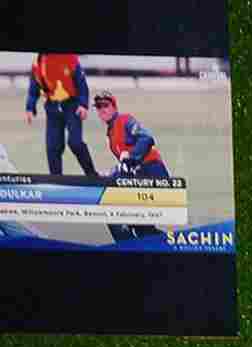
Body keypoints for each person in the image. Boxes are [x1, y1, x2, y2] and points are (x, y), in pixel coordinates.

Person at [92, 92, 170, 242]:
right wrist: (111, 174)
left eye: (106, 106)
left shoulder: (125, 120)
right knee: (142, 228)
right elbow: (126, 164)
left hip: (152, 173)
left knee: (115, 215)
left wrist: (131, 156)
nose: (102, 110)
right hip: (139, 179)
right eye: (98, 107)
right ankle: (166, 247)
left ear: (114, 107)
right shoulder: (111, 132)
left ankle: (128, 249)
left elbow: (146, 138)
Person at [23, 52, 97, 177]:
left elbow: (81, 83)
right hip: (52, 107)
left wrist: (83, 105)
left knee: (75, 143)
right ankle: (56, 179)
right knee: (53, 146)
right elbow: (33, 88)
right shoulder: (38, 62)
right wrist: (30, 107)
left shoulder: (69, 57)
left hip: (72, 105)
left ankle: (92, 175)